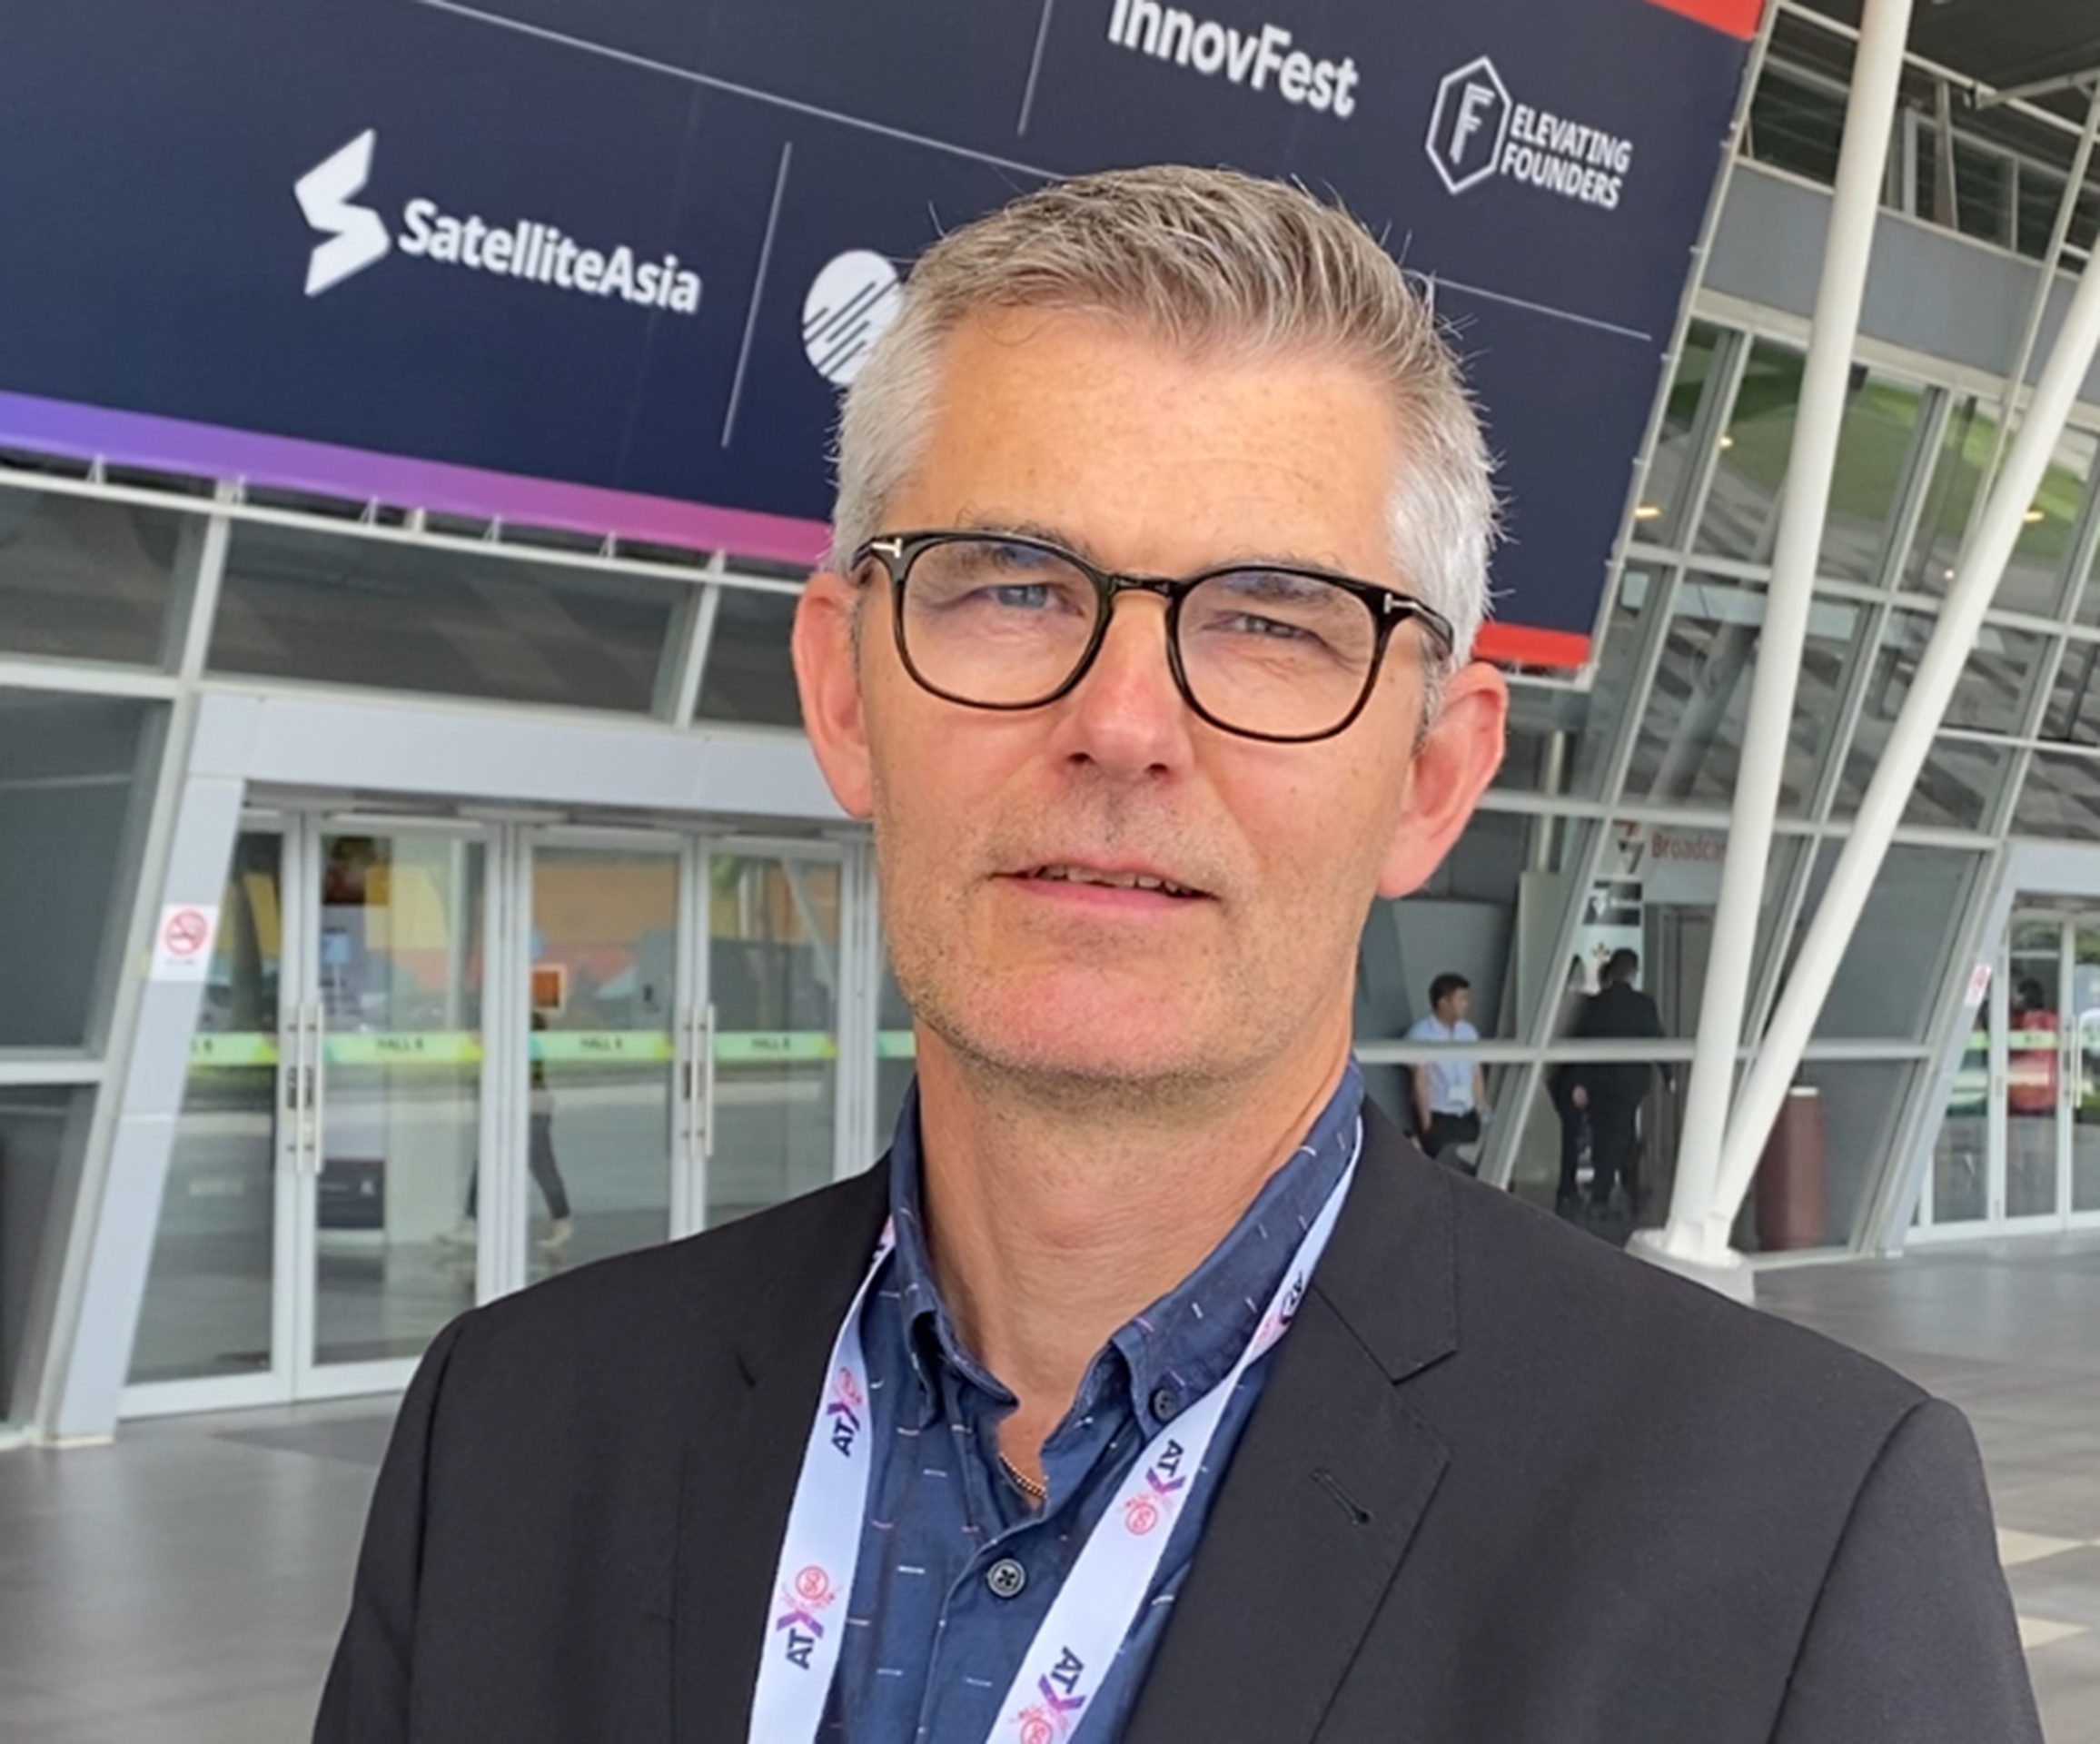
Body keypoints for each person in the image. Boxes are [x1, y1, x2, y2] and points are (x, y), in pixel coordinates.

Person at [316, 168, 2039, 1743]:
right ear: (847, 695)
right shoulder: (519, 1433)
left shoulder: (1792, 1534)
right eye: (1009, 588)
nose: (1121, 723)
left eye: (1273, 624)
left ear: (1430, 777)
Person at [1567, 947, 1667, 1217]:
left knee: (1606, 1134)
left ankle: (1609, 1190)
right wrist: (1668, 1076)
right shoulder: (1644, 1004)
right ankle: (1619, 1189)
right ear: (1633, 972)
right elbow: (1658, 1041)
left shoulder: (1596, 1004)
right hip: (1630, 1083)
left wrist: (1579, 1082)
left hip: (1599, 1082)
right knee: (1622, 1133)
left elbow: (1582, 1045)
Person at [1406, 972, 1484, 1166]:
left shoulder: (1468, 1032)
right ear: (1443, 1002)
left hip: (1467, 1116)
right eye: (1461, 999)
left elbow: (1476, 1073)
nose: (1466, 1004)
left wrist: (1481, 1109)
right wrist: (1428, 1126)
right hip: (1440, 1117)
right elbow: (1420, 1081)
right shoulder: (1420, 1035)